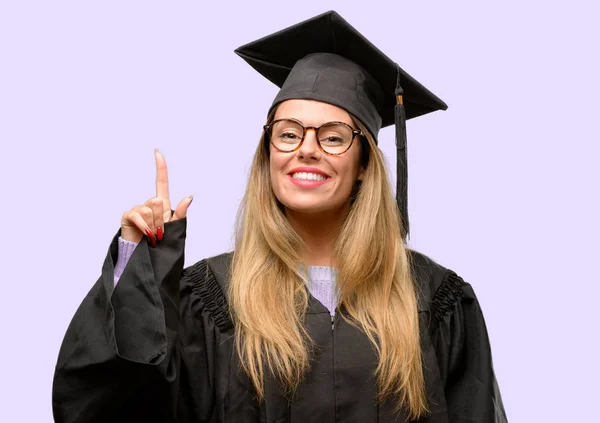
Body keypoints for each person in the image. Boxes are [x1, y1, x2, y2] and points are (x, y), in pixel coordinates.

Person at [52, 11, 507, 423]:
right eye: (287, 134)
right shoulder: (211, 301)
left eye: (332, 137)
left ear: (365, 164)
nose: (306, 149)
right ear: (267, 153)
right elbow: (114, 410)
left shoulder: (434, 300)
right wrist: (141, 266)